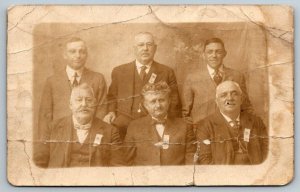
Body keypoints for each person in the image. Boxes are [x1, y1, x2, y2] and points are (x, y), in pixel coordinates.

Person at [104, 32, 181, 140]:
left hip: (154, 126)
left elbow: (174, 102)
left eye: (149, 45)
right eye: (141, 45)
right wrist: (111, 112)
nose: (145, 48)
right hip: (123, 127)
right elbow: (111, 97)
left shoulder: (166, 72)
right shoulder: (119, 71)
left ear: (155, 48)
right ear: (134, 49)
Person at [34, 83, 123, 168]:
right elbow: (39, 164)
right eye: (79, 100)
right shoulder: (52, 128)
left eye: (88, 100)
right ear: (71, 105)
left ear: (95, 104)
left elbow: (118, 169)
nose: (84, 104)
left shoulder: (110, 132)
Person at [38, 37, 107, 139]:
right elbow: (45, 117)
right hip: (59, 137)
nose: (78, 55)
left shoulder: (97, 79)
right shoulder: (52, 81)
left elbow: (101, 111)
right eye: (72, 52)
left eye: (82, 52)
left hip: (88, 137)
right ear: (65, 55)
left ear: (86, 55)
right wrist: (44, 145)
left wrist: (94, 137)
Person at [182, 37, 252, 125]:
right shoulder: (192, 78)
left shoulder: (237, 76)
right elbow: (185, 114)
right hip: (201, 131)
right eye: (210, 52)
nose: (214, 56)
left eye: (218, 52)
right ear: (204, 55)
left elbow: (246, 108)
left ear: (224, 54)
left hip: (230, 132)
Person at [196, 80, 268, 165]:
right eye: (223, 95)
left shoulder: (256, 122)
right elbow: (205, 160)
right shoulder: (205, 126)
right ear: (217, 102)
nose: (230, 98)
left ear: (241, 99)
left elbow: (267, 153)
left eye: (234, 94)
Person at [124, 81, 195, 166]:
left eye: (161, 100)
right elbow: (127, 161)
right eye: (153, 101)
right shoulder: (134, 127)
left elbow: (191, 160)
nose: (158, 105)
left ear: (169, 101)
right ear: (145, 105)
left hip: (175, 177)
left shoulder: (184, 126)